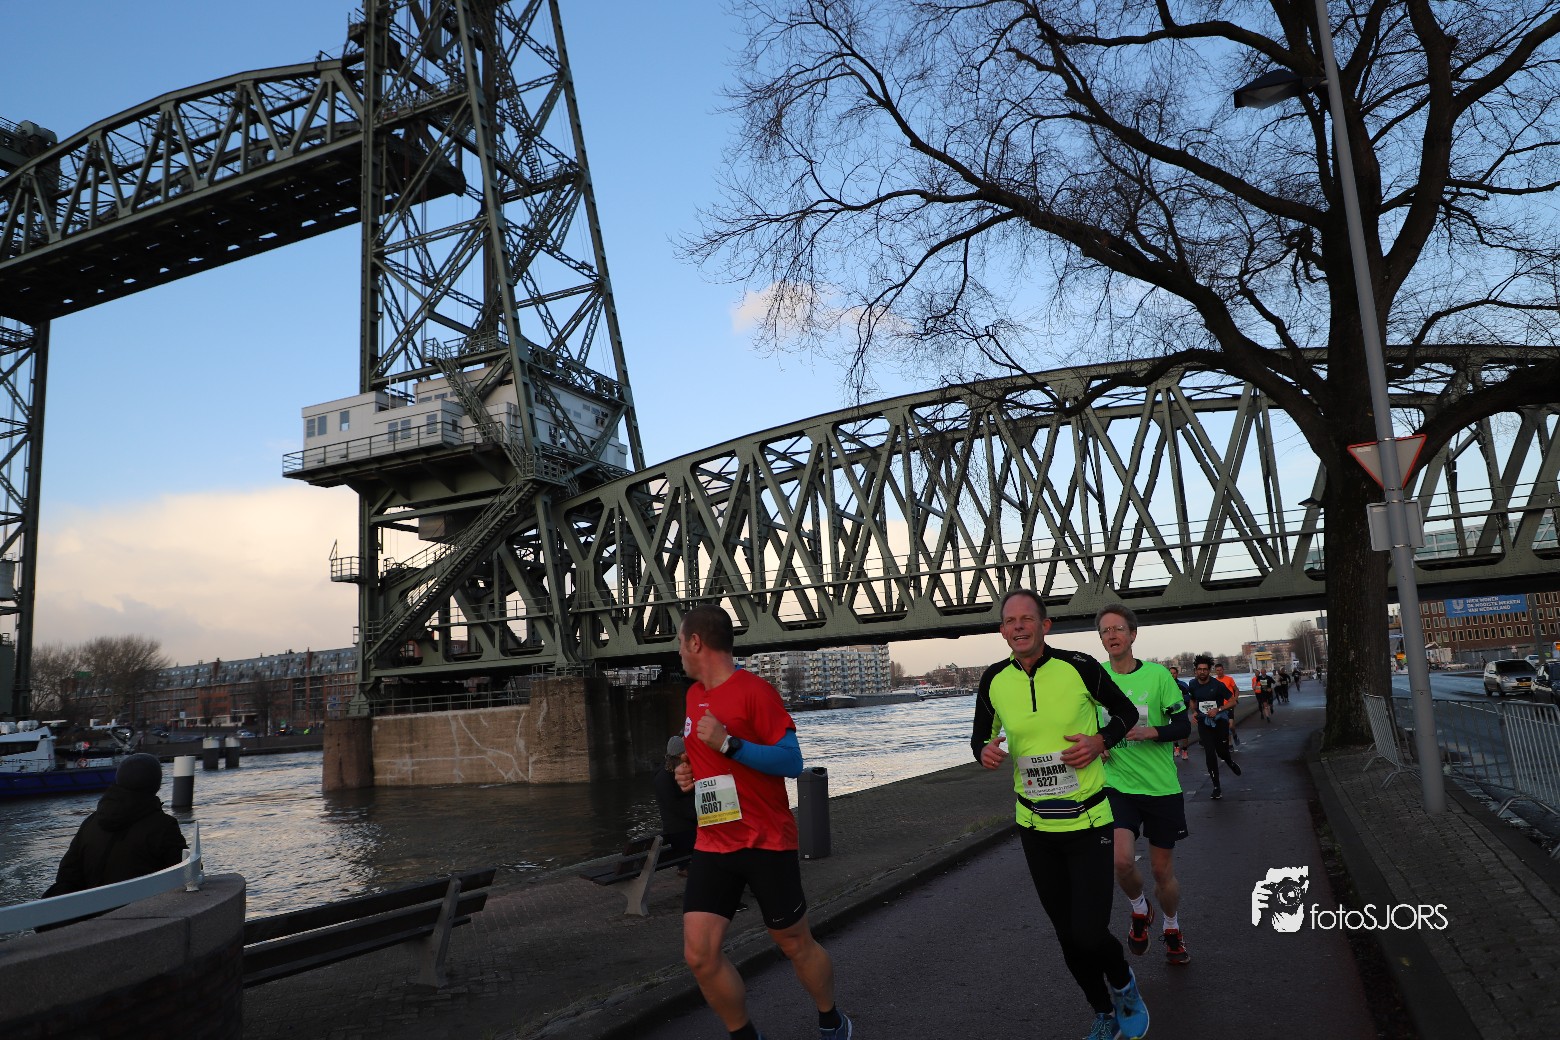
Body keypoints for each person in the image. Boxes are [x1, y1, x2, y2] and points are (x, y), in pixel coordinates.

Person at [972, 589, 1150, 1040]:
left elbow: (1126, 713)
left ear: (1044, 625)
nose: (1018, 627)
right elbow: (979, 738)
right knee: (1067, 935)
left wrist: (1100, 741)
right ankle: (1103, 1012)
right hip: (1035, 827)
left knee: (1089, 933)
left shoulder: (1079, 666)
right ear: (1002, 631)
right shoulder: (993, 679)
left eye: (1026, 619)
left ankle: (1123, 983)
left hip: (1089, 823)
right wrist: (984, 752)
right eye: (1010, 621)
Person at [672, 605, 853, 1040]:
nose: (677, 651)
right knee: (700, 955)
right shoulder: (693, 696)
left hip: (765, 841)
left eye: (679, 642)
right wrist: (687, 773)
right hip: (713, 843)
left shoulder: (756, 692)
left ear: (696, 642)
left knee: (794, 943)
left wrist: (730, 745)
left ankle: (832, 1021)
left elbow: (791, 761)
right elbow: (703, 756)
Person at [1095, 605, 1194, 967]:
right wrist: (1098, 744)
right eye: (1105, 631)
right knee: (1121, 861)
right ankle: (1139, 909)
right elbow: (1083, 722)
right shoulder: (1096, 679)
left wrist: (1152, 731)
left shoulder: (1157, 676)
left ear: (1133, 634)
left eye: (1118, 628)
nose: (1112, 635)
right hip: (1117, 784)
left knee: (1161, 872)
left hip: (1160, 787)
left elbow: (1183, 726)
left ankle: (1171, 926)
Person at [42, 753, 188, 909]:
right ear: (156, 784)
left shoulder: (91, 822)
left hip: (89, 913)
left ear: (118, 780)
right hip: (139, 913)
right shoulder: (163, 826)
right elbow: (188, 874)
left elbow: (67, 875)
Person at [1188, 656, 1242, 799]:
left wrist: (1218, 709)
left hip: (1219, 722)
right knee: (1210, 753)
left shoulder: (1217, 685)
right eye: (1199, 669)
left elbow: (1233, 701)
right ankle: (1216, 787)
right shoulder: (1192, 684)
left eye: (1205, 669)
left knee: (1222, 752)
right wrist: (1194, 711)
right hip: (1203, 723)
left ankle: (1229, 761)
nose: (1202, 672)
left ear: (1209, 670)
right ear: (1195, 670)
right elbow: (1192, 700)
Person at [654, 735, 697, 863]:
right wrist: (696, 815)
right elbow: (674, 806)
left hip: (683, 825)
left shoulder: (670, 774)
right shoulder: (664, 777)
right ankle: (685, 866)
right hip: (680, 828)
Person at [1168, 664, 1192, 763]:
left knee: (1184, 732)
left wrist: (1182, 709)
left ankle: (1185, 750)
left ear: (1177, 674)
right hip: (1170, 712)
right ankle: (1176, 747)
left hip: (1182, 711)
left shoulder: (1182, 685)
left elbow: (1187, 700)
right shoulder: (1165, 685)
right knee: (1173, 731)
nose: (1172, 675)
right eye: (1170, 673)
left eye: (1174, 673)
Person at [1213, 660, 1240, 746]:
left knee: (1231, 726)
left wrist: (1235, 699)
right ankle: (1230, 744)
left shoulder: (1229, 679)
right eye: (1217, 670)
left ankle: (1234, 734)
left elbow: (1236, 689)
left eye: (1220, 670)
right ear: (1215, 671)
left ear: (1223, 670)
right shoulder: (1214, 681)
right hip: (1220, 706)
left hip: (1229, 705)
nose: (1219, 672)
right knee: (1225, 726)